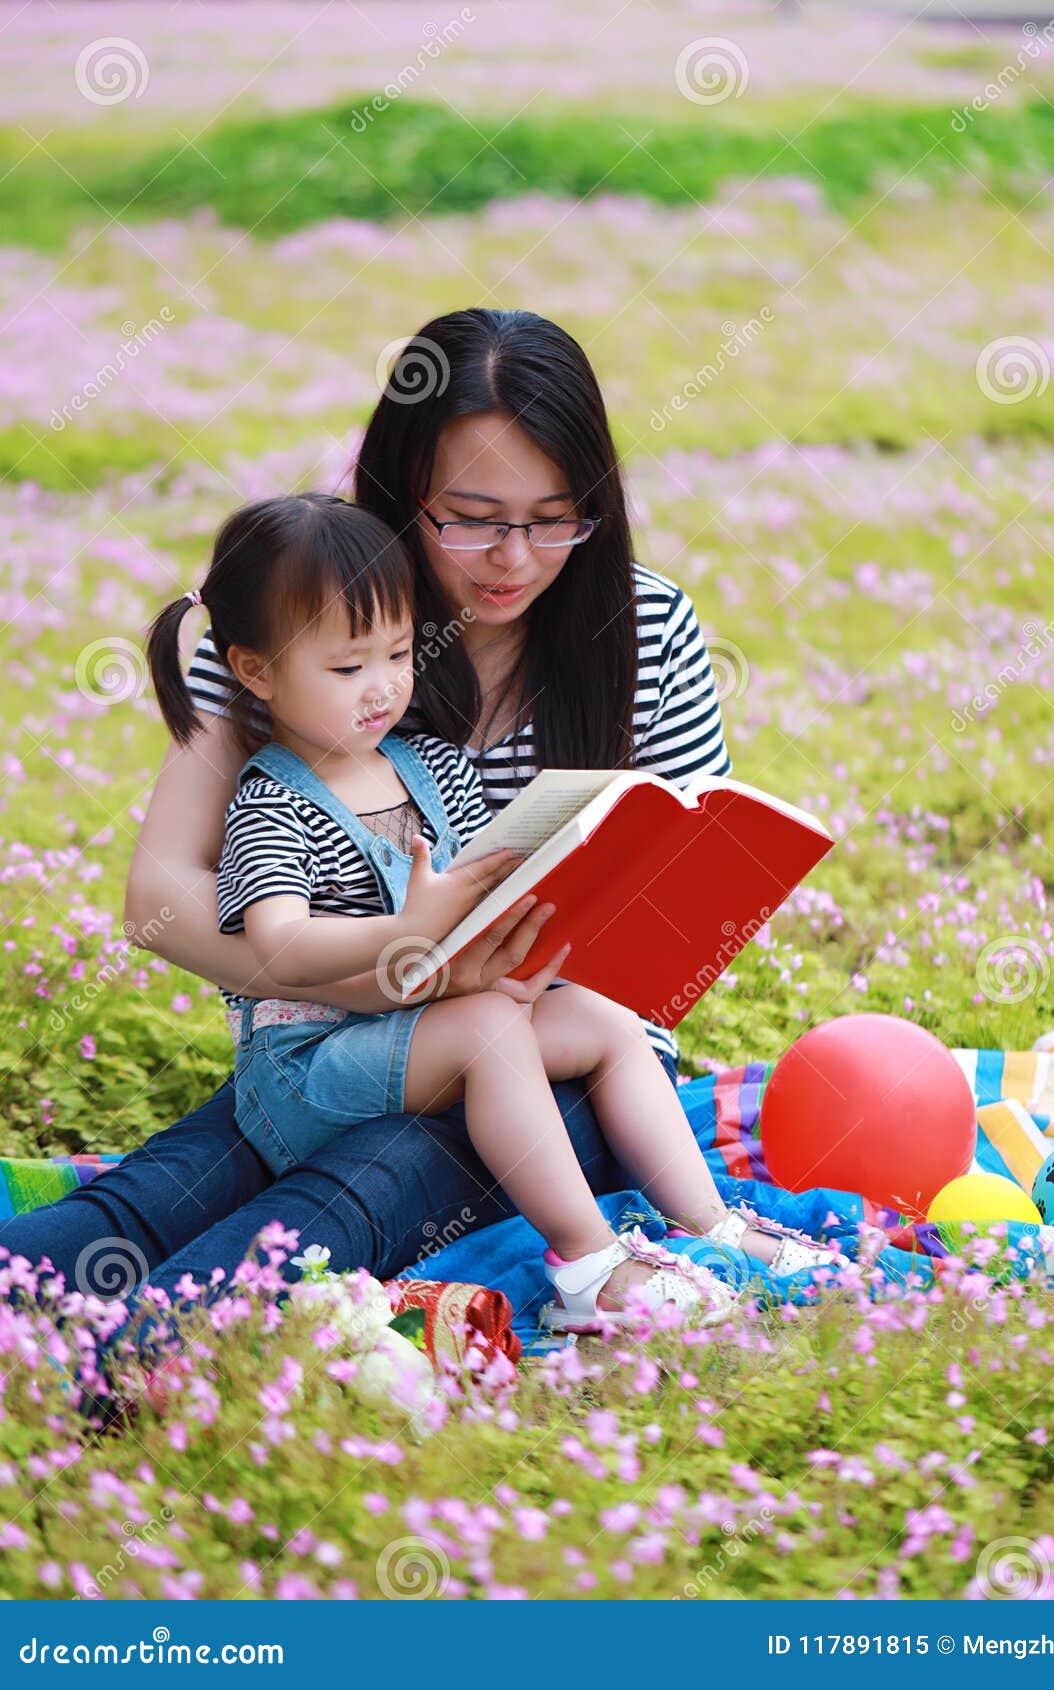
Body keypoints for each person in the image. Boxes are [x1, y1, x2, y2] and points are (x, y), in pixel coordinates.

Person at [0, 308, 830, 1324]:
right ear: (401, 493)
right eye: (472, 517)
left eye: (553, 516)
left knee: (372, 1174)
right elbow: (161, 898)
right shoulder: (291, 619)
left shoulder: (646, 625)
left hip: (566, 1053)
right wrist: (397, 965)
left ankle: (151, 1349)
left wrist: (491, 972)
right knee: (167, 1185)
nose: (514, 558)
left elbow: (671, 931)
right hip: (346, 1034)